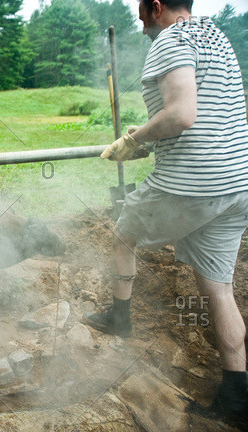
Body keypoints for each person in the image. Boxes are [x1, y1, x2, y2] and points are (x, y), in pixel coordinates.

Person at [86, 0, 248, 425]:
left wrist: (134, 140)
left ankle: (119, 319)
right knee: (219, 289)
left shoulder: (171, 38)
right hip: (237, 183)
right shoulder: (218, 36)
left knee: (123, 233)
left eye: (141, 16)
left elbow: (182, 113)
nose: (141, 26)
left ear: (156, 7)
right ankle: (236, 398)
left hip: (195, 183)